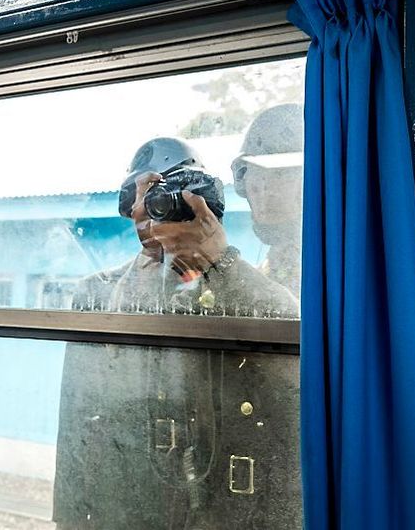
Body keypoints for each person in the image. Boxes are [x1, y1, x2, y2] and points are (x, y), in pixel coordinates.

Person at [54, 136, 301, 529]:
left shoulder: (235, 284)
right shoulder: (97, 292)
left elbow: (290, 340)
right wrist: (69, 519)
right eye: (147, 196)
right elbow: (78, 423)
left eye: (174, 197)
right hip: (128, 510)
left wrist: (219, 260)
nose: (159, 210)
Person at [230, 103, 305, 297]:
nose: (264, 189)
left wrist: (221, 260)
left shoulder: (323, 259)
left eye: (279, 174)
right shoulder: (274, 259)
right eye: (255, 172)